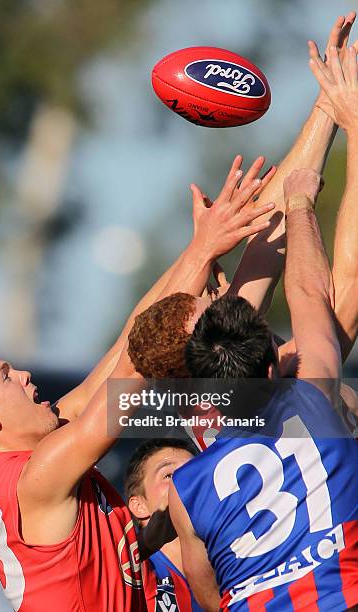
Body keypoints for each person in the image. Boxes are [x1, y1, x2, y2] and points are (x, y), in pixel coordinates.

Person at [0, 155, 273, 611]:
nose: (25, 375)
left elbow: (123, 346)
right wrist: (203, 252)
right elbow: (132, 368)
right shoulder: (39, 474)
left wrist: (197, 250)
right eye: (5, 376)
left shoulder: (39, 452)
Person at [127, 13, 358, 445]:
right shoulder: (287, 393)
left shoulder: (225, 394)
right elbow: (343, 290)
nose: (220, 296)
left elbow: (264, 251)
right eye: (209, 311)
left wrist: (331, 100)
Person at [169, 163, 358, 610]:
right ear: (273, 369)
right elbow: (314, 294)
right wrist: (299, 202)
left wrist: (205, 251)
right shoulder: (313, 397)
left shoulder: (184, 487)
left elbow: (210, 597)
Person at [125, 438, 204, 611]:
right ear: (139, 506)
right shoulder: (127, 574)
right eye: (169, 475)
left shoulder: (231, 557)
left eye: (195, 473)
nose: (187, 481)